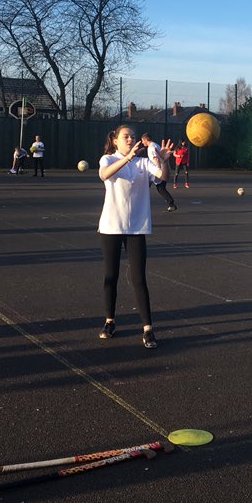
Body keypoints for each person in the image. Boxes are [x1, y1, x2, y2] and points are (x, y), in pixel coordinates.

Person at [97, 125, 173, 349]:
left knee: (139, 278)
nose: (130, 139)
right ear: (115, 141)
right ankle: (109, 321)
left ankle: (148, 328)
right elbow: (104, 175)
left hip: (137, 227)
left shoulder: (142, 163)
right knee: (111, 275)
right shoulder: (108, 160)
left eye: (132, 136)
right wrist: (127, 158)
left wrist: (165, 160)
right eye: (125, 136)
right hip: (111, 226)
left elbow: (162, 176)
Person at [141, 132, 177, 212]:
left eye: (143, 140)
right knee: (160, 188)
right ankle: (171, 204)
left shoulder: (151, 147)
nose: (142, 142)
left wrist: (159, 171)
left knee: (146, 187)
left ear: (146, 139)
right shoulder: (155, 145)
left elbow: (156, 159)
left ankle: (140, 204)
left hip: (155, 172)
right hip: (157, 170)